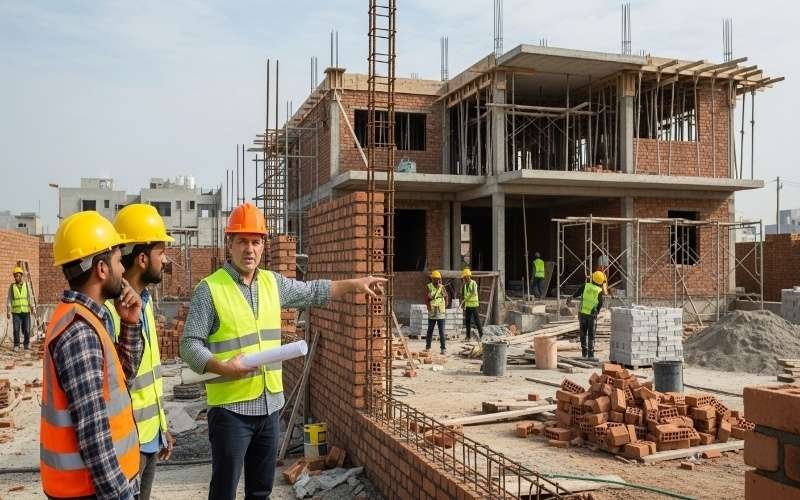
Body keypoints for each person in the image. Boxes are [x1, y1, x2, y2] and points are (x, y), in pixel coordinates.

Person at [180, 202, 385, 500]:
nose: (249, 249)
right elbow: (188, 346)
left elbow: (313, 291)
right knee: (224, 491)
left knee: (262, 491)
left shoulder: (272, 283)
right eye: (242, 241)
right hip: (231, 412)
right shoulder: (210, 289)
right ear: (230, 244)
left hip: (270, 408)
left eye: (256, 241)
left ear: (263, 245)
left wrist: (354, 284)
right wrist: (223, 367)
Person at [40, 211, 142, 499]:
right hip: (90, 491)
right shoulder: (79, 332)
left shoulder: (89, 319)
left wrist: (130, 325)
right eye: (119, 262)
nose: (123, 271)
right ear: (101, 268)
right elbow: (93, 433)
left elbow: (123, 379)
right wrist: (121, 494)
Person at [105, 204, 176, 500]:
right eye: (162, 252)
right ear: (143, 258)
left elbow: (150, 378)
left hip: (149, 437)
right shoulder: (111, 313)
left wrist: (162, 427)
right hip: (126, 443)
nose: (167, 259)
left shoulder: (143, 303)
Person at [569, 270, 606, 361]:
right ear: (600, 282)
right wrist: (597, 310)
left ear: (592, 278)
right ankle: (591, 355)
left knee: (583, 333)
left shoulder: (585, 285)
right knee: (591, 335)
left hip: (582, 313)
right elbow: (600, 303)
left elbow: (577, 293)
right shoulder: (599, 290)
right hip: (591, 315)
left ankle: (584, 353)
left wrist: (571, 298)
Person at [7, 266, 33, 351]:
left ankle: (26, 343)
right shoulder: (12, 287)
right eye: (15, 276)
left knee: (26, 329)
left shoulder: (26, 285)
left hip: (26, 311)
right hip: (16, 312)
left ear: (21, 276)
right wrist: (8, 310)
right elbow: (9, 299)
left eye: (18, 276)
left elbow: (29, 297)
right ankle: (16, 345)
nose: (16, 277)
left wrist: (32, 307)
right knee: (16, 329)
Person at [425, 270, 448, 354]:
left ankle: (443, 348)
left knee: (441, 331)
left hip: (440, 313)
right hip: (432, 312)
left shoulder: (442, 287)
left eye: (438, 279)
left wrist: (444, 306)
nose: (437, 280)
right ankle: (428, 347)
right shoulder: (429, 287)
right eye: (435, 279)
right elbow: (426, 299)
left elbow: (446, 297)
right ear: (432, 279)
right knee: (430, 330)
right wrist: (428, 307)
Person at [459, 268, 483, 341]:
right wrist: (462, 303)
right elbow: (463, 295)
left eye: (464, 277)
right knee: (467, 321)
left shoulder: (474, 283)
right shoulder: (465, 285)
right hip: (468, 306)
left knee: (477, 320)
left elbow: (473, 293)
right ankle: (468, 336)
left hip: (474, 305)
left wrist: (465, 300)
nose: (463, 278)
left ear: (467, 276)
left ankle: (481, 335)